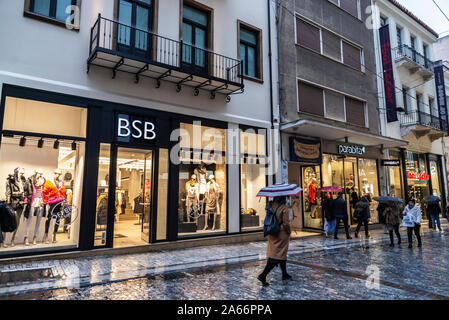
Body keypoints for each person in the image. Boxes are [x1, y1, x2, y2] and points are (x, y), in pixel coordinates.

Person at [258, 196, 292, 286]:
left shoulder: (270, 205)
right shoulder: (284, 208)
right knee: (277, 255)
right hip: (281, 233)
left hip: (272, 231)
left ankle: (284, 274)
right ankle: (263, 275)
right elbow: (286, 223)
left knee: (280, 253)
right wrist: (289, 231)